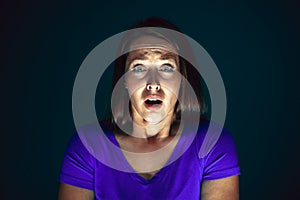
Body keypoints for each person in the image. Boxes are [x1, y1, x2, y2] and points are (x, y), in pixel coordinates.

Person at [58, 17, 240, 200]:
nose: (153, 83)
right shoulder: (88, 145)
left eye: (167, 67)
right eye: (139, 68)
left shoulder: (212, 143)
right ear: (124, 82)